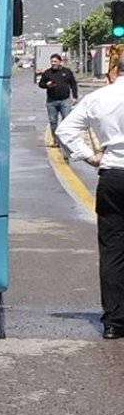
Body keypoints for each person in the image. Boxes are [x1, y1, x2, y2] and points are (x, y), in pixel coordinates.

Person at [59, 57, 124, 339]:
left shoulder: (99, 97)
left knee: (112, 250)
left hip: (113, 177)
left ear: (114, 71)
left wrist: (89, 156)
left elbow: (65, 130)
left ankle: (114, 322)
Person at [39, 53, 78, 145]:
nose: (53, 63)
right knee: (53, 122)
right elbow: (41, 84)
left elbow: (73, 84)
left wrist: (75, 97)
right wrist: (46, 85)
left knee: (66, 121)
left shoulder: (67, 72)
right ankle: (56, 140)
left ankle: (66, 140)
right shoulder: (47, 73)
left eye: (55, 61)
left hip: (65, 101)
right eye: (52, 61)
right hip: (51, 101)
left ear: (60, 62)